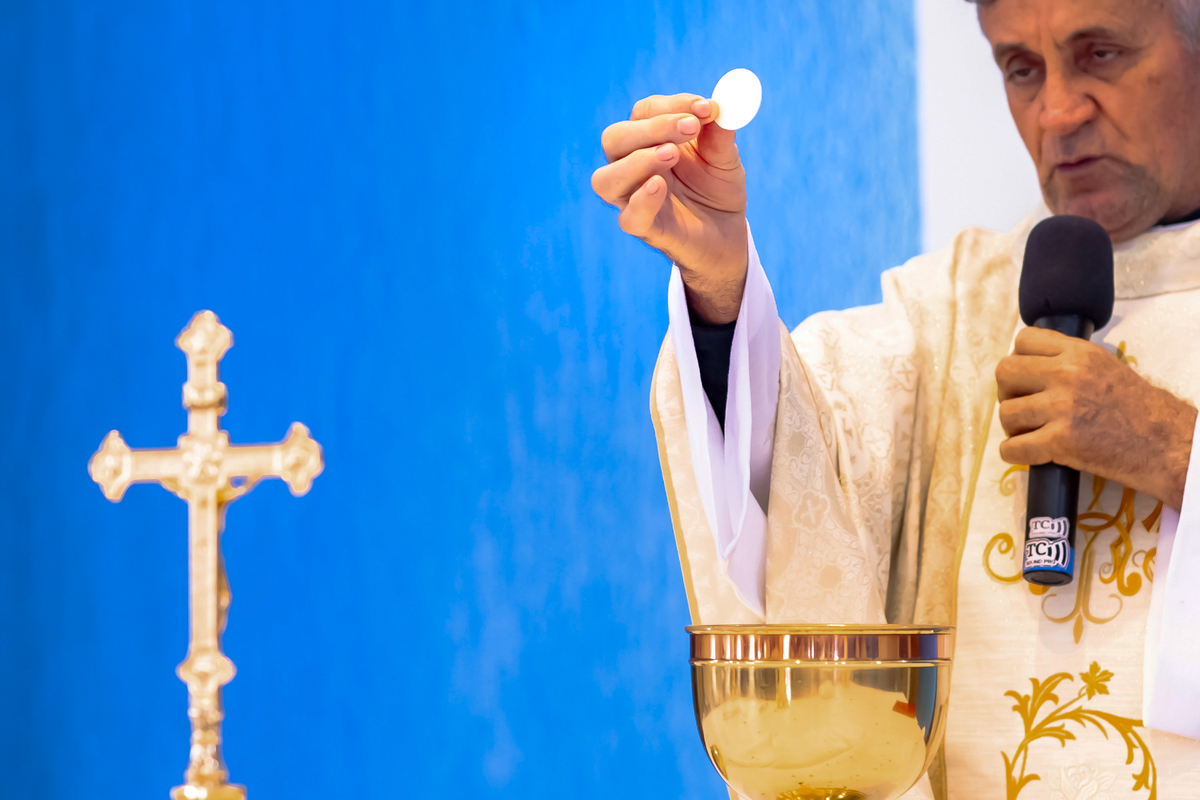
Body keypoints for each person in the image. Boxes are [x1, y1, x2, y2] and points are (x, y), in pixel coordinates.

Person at [593, 0, 1200, 797]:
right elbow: (806, 489)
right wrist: (719, 285)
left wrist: (1174, 449)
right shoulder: (957, 311)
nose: (1056, 111)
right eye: (1020, 67)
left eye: (1101, 55)